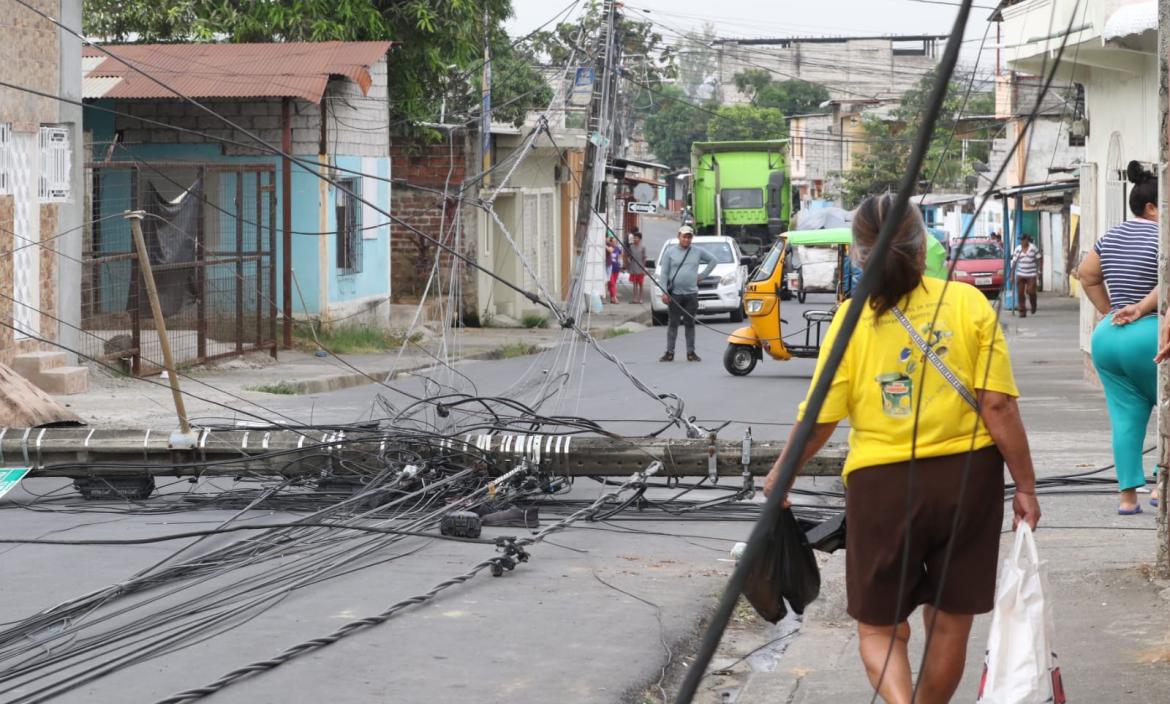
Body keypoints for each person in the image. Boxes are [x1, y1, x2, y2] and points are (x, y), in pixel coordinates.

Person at [764, 194, 1041, 704]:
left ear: (858, 255)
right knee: (949, 623)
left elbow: (820, 418)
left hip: (881, 486)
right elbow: (997, 406)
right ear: (923, 246)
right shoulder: (968, 303)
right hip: (968, 480)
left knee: (880, 628)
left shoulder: (851, 319)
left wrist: (782, 474)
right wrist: (1025, 486)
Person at [1077, 160, 1160, 514]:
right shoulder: (1164, 235)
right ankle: (1161, 490)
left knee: (1125, 418)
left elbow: (1085, 274)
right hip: (1153, 332)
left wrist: (1110, 310)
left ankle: (1127, 498)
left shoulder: (1110, 236)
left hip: (1108, 337)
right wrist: (1140, 308)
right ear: (1152, 207)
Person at [658, 225, 717, 362]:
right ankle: (669, 352)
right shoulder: (670, 253)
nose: (686, 239)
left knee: (690, 324)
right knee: (673, 323)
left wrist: (702, 276)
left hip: (691, 295)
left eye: (689, 237)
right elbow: (664, 274)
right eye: (684, 236)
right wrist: (664, 292)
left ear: (692, 238)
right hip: (675, 295)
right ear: (679, 236)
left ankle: (691, 353)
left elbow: (713, 261)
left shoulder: (697, 251)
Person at [1011, 234, 1041, 317]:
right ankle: (1022, 311)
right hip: (1020, 274)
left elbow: (1039, 259)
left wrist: (1039, 271)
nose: (1022, 241)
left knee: (1030, 291)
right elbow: (1014, 262)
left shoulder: (1033, 248)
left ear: (1027, 240)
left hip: (1031, 274)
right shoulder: (1018, 249)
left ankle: (1033, 304)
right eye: (1021, 240)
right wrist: (1012, 275)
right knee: (1020, 293)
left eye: (1024, 240)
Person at [626, 229, 648, 304]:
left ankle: (641, 298)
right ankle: (634, 298)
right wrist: (628, 260)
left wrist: (644, 268)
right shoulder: (631, 247)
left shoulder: (643, 248)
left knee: (641, 284)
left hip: (640, 268)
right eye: (634, 238)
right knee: (634, 284)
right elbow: (628, 256)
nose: (635, 239)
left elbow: (644, 258)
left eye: (636, 238)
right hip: (633, 268)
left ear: (640, 239)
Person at [605, 234, 623, 304]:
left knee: (613, 283)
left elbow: (621, 256)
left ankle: (612, 297)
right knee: (612, 283)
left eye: (616, 242)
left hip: (616, 268)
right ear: (610, 242)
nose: (615, 243)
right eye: (613, 242)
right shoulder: (609, 247)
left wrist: (621, 264)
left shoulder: (618, 248)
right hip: (610, 268)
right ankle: (614, 298)